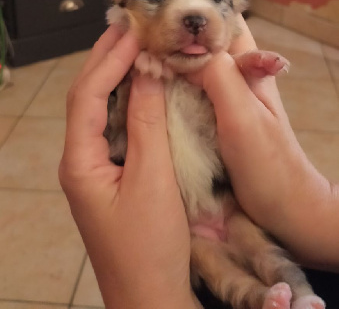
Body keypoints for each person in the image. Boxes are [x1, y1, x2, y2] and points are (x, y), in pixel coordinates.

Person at [59, 16, 339, 309]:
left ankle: (302, 295)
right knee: (218, 272)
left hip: (227, 205)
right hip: (187, 229)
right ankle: (261, 298)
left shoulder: (206, 61)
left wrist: (145, 295)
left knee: (266, 254)